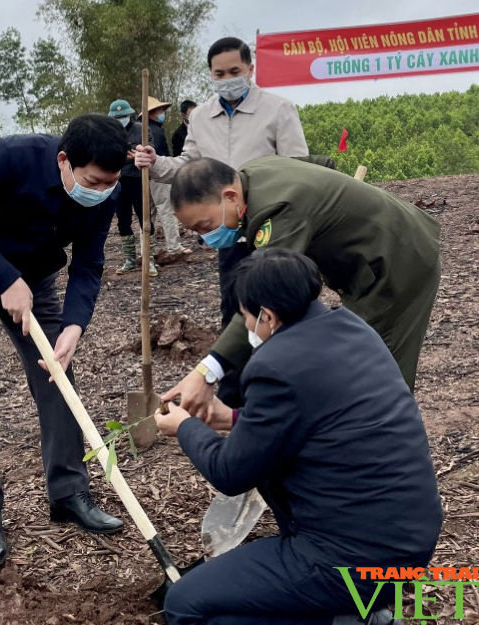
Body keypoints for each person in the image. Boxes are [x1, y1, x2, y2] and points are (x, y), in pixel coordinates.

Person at [154, 248, 442, 625]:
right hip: (407, 542)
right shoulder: (354, 329)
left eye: (245, 318)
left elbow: (230, 472)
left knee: (186, 604)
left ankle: (348, 619)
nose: (247, 327)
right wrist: (234, 418)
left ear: (268, 317)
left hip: (349, 559)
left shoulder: (275, 365)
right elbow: (314, 423)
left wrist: (184, 427)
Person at [0, 114, 127, 572]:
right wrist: (5, 278)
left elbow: (88, 264)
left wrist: (75, 325)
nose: (102, 192)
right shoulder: (11, 157)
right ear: (64, 160)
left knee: (58, 378)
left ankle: (69, 493)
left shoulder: (105, 188)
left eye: (111, 184)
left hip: (35, 282)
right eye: (95, 182)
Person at [162, 156, 440, 422]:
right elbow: (320, 162)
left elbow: (261, 297)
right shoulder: (253, 171)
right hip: (365, 265)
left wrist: (208, 372)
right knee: (353, 365)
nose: (206, 238)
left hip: (395, 262)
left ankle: (386, 452)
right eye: (195, 233)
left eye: (205, 226)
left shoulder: (278, 210)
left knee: (379, 370)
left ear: (230, 197)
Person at [135, 37, 308, 326]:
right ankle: (236, 367)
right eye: (219, 74)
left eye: (234, 72)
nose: (227, 79)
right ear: (211, 74)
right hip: (227, 223)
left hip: (272, 223)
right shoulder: (201, 117)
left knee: (279, 301)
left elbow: (298, 169)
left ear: (250, 69)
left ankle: (282, 364)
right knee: (234, 303)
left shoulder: (278, 109)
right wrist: (156, 163)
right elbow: (189, 166)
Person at [107, 99, 157, 276]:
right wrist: (126, 157)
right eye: (117, 117)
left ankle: (149, 260)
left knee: (145, 219)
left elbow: (150, 149)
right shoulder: (110, 133)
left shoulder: (141, 129)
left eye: (124, 116)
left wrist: (138, 156)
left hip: (139, 179)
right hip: (119, 182)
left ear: (130, 114)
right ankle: (130, 260)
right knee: (123, 221)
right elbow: (109, 155)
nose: (121, 119)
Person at [144, 95, 191, 257]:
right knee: (166, 210)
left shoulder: (143, 129)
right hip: (159, 176)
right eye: (159, 110)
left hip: (144, 178)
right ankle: (174, 246)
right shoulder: (155, 130)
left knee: (147, 213)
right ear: (151, 113)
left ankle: (146, 252)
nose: (162, 112)